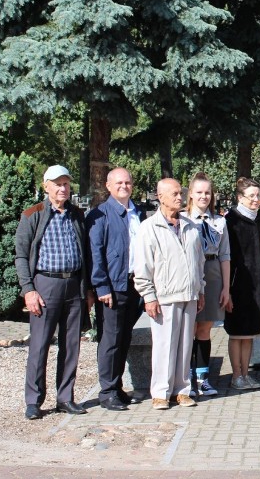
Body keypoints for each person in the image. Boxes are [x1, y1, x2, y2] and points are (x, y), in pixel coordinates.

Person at [15, 165, 89, 420]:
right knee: (40, 344)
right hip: (45, 286)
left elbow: (85, 253)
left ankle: (65, 397)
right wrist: (29, 290)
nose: (62, 188)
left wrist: (86, 289)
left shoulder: (77, 215)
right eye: (57, 184)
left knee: (71, 345)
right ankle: (34, 401)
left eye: (66, 184)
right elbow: (21, 255)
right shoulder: (32, 214)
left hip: (73, 285)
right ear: (46, 186)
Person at [134, 178, 205, 410]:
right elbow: (143, 266)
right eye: (174, 193)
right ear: (160, 197)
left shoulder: (191, 225)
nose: (179, 197)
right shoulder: (149, 227)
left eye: (180, 193)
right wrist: (149, 296)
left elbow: (199, 261)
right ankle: (160, 393)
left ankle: (182, 390)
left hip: (189, 294)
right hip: (165, 296)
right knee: (164, 345)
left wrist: (200, 288)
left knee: (185, 346)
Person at [85, 167, 146, 411]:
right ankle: (107, 391)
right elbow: (95, 253)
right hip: (112, 286)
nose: (124, 186)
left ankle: (118, 387)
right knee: (110, 339)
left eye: (128, 182)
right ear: (109, 186)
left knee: (124, 337)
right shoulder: (100, 214)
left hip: (135, 285)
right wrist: (101, 286)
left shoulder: (137, 213)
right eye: (119, 182)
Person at [184, 172, 230, 397]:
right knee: (189, 328)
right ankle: (186, 379)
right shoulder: (183, 219)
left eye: (207, 192)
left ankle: (203, 379)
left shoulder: (219, 221)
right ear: (191, 194)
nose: (204, 196)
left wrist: (226, 288)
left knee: (204, 329)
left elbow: (225, 255)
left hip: (212, 274)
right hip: (191, 273)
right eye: (199, 192)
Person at [224, 177, 260, 390]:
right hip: (238, 285)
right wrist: (228, 291)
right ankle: (236, 375)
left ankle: (246, 373)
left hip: (258, 285)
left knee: (250, 332)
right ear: (240, 197)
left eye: (258, 195)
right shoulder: (230, 221)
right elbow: (228, 257)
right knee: (237, 332)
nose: (256, 200)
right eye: (251, 196)